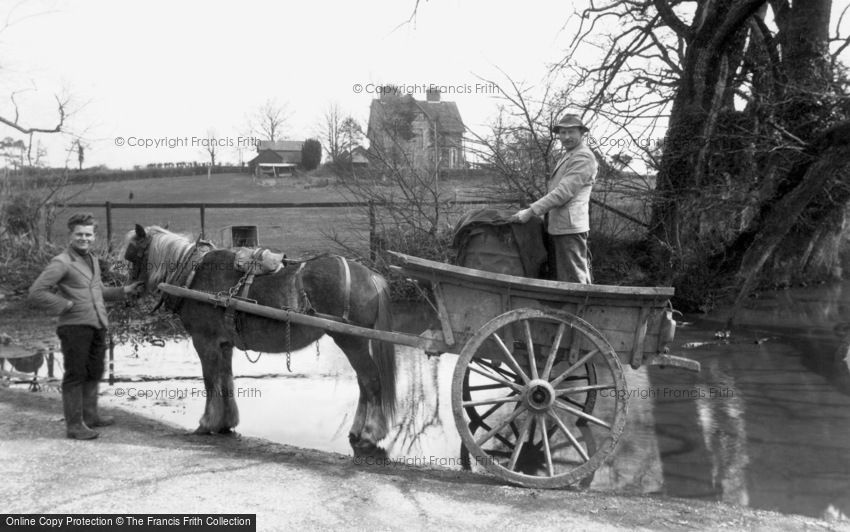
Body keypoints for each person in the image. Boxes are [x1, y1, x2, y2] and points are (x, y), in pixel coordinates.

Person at [28, 213, 142, 440]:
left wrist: (125, 291)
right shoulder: (61, 262)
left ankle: (90, 416)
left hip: (97, 323)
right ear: (70, 235)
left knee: (94, 371)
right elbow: (35, 293)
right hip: (74, 326)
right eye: (79, 234)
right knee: (75, 374)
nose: (84, 238)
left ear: (94, 236)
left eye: (88, 234)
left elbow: (98, 290)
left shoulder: (92, 259)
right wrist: (65, 304)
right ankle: (74, 425)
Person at [512, 114, 598, 283]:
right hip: (559, 225)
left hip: (570, 227)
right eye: (563, 132)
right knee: (563, 276)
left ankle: (582, 308)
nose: (566, 137)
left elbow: (563, 192)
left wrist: (531, 211)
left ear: (582, 133)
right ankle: (569, 307)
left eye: (571, 132)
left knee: (574, 277)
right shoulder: (569, 154)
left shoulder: (583, 157)